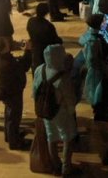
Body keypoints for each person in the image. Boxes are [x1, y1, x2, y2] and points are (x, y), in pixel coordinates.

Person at [33, 44, 78, 176]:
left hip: (45, 110)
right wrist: (71, 111)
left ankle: (55, 165)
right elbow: (70, 99)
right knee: (67, 137)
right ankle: (66, 168)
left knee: (51, 136)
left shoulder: (40, 70)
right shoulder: (63, 77)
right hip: (61, 111)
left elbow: (35, 90)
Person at [0, 38, 28, 150]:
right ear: (3, 49)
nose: (9, 44)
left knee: (9, 114)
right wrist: (28, 52)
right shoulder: (8, 63)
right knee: (14, 116)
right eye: (7, 44)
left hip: (6, 91)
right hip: (13, 92)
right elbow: (23, 68)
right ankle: (14, 142)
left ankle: (9, 135)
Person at [27, 3, 62, 71]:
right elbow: (55, 40)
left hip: (35, 51)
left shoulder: (30, 21)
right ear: (47, 12)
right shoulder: (49, 26)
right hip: (46, 53)